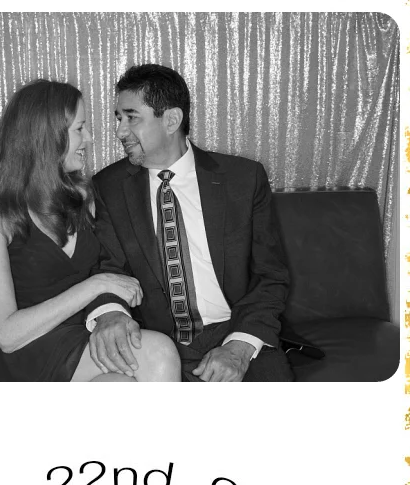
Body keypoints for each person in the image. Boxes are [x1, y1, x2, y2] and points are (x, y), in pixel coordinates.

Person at [0, 80, 182, 383]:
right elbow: (6, 334)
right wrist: (95, 285)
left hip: (78, 335)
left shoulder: (84, 194)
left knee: (120, 385)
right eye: (80, 129)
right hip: (22, 349)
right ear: (47, 137)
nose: (89, 138)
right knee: (159, 353)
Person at [87, 64, 293, 382]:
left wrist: (240, 346)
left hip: (237, 333)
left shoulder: (243, 179)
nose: (120, 132)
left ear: (171, 120)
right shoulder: (109, 186)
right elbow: (106, 266)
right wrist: (110, 312)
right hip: (154, 343)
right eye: (118, 118)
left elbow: (270, 275)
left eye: (131, 118)